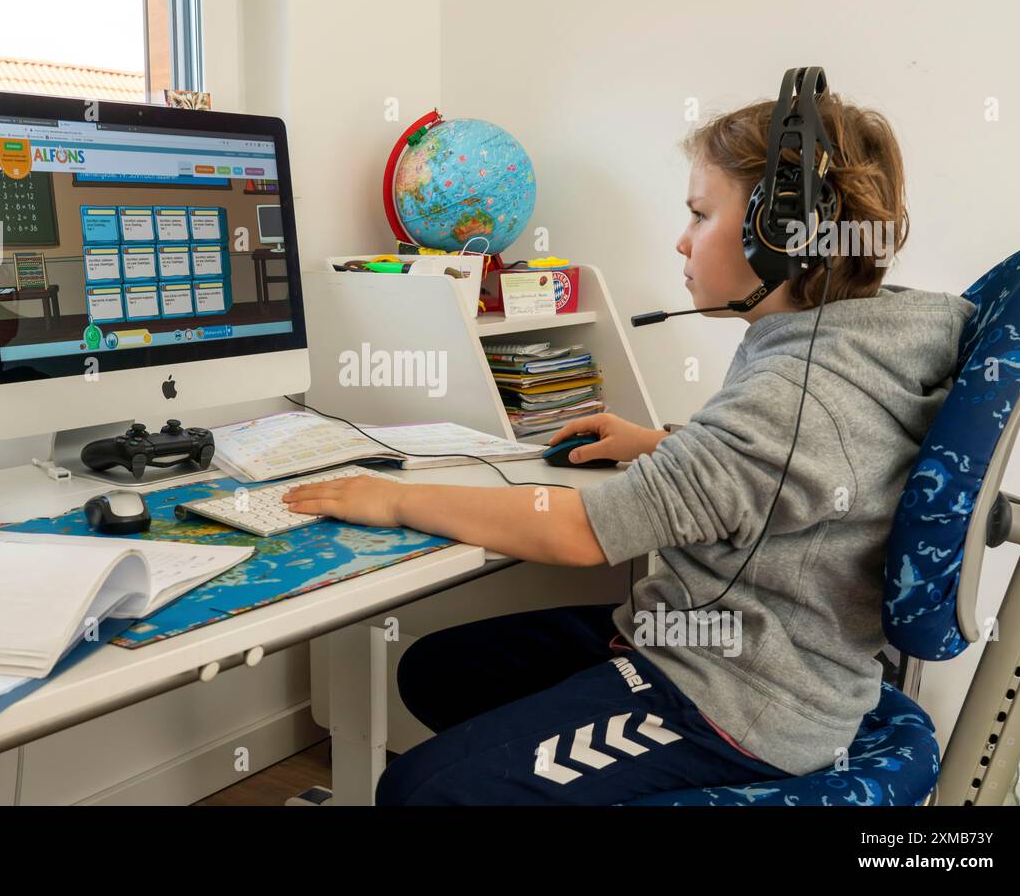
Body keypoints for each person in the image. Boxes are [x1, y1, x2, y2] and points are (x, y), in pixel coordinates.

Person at [282, 91, 976, 805]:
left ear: (783, 233)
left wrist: (398, 497)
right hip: (733, 645)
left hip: (734, 702)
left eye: (700, 214)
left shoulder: (795, 391)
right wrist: (663, 446)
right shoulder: (857, 343)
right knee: (439, 670)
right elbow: (796, 469)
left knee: (418, 791)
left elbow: (582, 531)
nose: (682, 239)